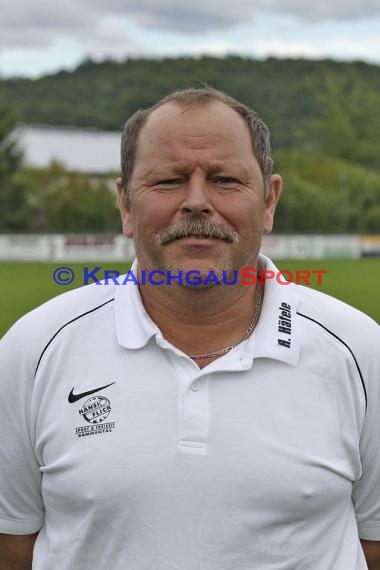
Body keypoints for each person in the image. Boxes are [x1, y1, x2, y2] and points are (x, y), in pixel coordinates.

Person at [1, 87, 380, 570]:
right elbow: (12, 544)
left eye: (224, 180)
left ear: (269, 201)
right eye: (168, 181)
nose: (197, 202)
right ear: (124, 203)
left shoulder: (361, 350)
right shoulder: (33, 349)